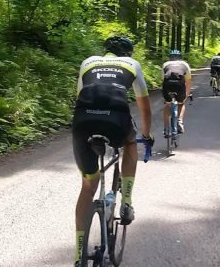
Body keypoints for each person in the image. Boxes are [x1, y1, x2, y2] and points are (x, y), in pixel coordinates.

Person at [71, 36, 153, 267]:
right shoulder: (132, 65)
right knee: (129, 144)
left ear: (105, 51)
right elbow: (144, 106)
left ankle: (78, 255)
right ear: (127, 54)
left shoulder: (87, 62)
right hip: (116, 122)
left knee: (89, 184)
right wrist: (146, 136)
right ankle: (126, 201)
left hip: (83, 123)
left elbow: (80, 97)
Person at [161, 49, 192, 136]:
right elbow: (188, 82)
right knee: (181, 103)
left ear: (170, 58)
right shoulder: (185, 65)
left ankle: (166, 128)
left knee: (168, 105)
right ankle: (179, 121)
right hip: (179, 86)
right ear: (180, 58)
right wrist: (187, 94)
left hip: (167, 85)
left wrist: (164, 94)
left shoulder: (165, 64)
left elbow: (163, 80)